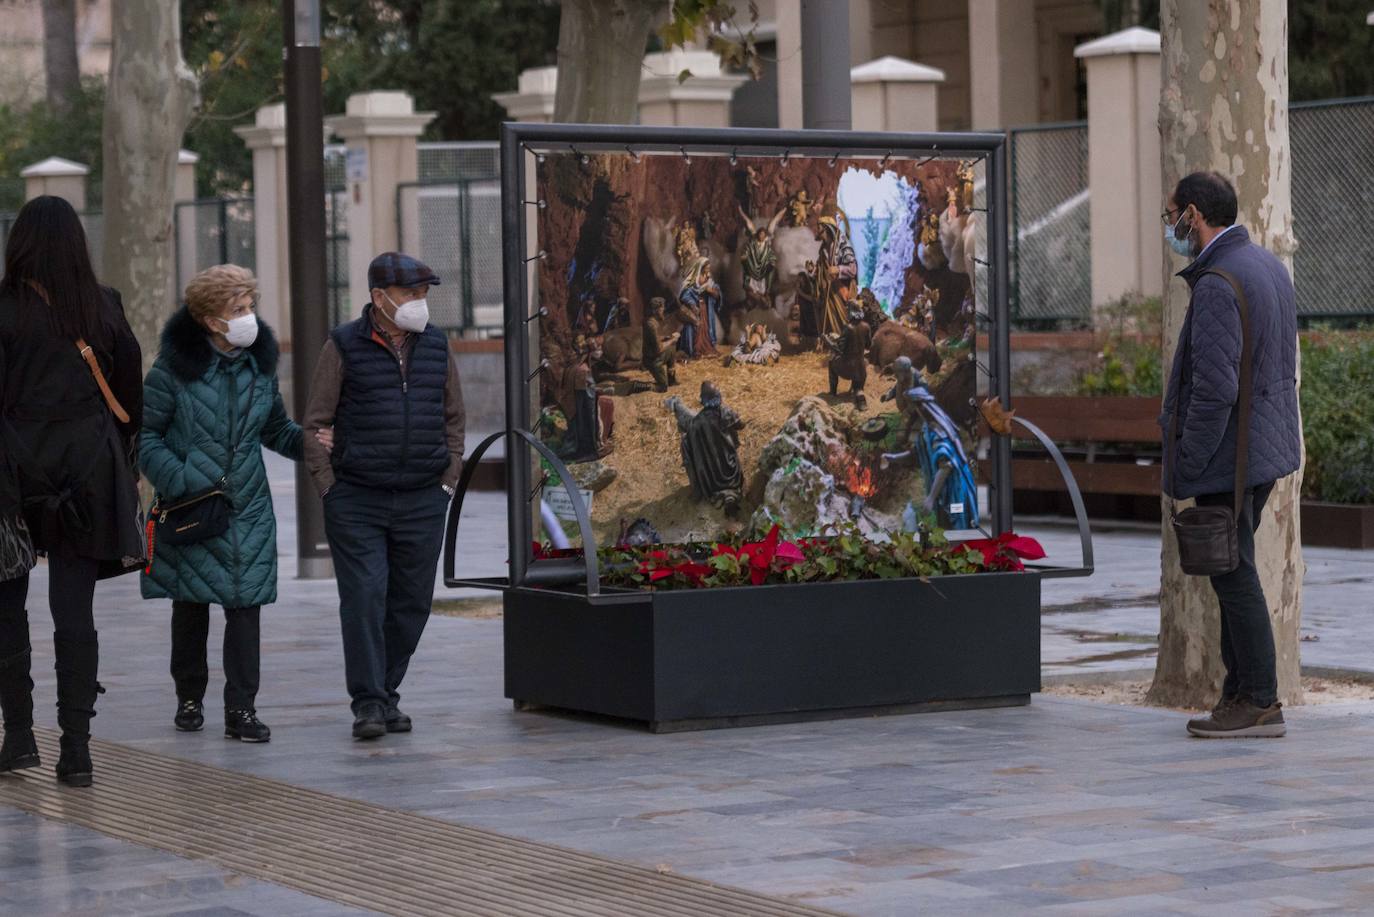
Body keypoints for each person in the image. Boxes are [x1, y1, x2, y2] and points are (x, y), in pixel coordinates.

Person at [0, 195, 143, 787]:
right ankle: (77, 750)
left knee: (7, 610)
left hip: (13, 474)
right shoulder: (103, 306)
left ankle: (20, 738)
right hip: (88, 473)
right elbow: (133, 398)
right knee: (74, 613)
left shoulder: (3, 309)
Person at [1159, 171, 1301, 739]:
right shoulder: (1265, 264)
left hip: (1229, 455)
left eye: (1172, 216)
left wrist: (1189, 459)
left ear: (1193, 214)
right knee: (1230, 566)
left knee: (1233, 572)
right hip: (1260, 450)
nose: (1169, 227)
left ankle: (1261, 700)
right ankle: (1239, 694)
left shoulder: (1219, 281)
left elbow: (1216, 388)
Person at [304, 252, 465, 740]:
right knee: (365, 596)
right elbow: (315, 423)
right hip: (357, 499)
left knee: (411, 602)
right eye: (411, 294)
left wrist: (447, 480)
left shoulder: (436, 346)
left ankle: (386, 692)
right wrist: (329, 487)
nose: (420, 303)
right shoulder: (342, 346)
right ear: (379, 298)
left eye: (424, 294)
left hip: (423, 496)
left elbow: (454, 417)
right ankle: (369, 703)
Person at [139, 265, 304, 743]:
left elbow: (274, 430)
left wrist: (316, 444)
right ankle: (189, 697)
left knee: (245, 603)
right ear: (212, 320)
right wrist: (181, 479)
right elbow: (145, 437)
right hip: (192, 505)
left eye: (250, 306)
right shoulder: (172, 369)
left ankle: (242, 710)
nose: (249, 317)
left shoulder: (259, 366)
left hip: (247, 505)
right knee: (191, 602)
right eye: (238, 309)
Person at [666, 382, 745, 515]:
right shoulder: (725, 413)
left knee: (686, 442)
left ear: (702, 400)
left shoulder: (696, 423)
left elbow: (688, 445)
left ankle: (704, 493)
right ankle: (731, 495)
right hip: (732, 474)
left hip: (711, 482)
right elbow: (741, 425)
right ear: (718, 396)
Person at [827, 306, 872, 410]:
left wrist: (828, 341)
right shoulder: (866, 327)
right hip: (861, 370)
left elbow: (838, 349)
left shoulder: (848, 328)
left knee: (831, 362)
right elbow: (869, 345)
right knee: (859, 388)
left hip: (846, 368)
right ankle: (859, 394)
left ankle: (832, 392)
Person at [641, 297, 680, 393]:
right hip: (653, 360)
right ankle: (641, 386)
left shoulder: (653, 322)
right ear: (655, 311)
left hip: (655, 356)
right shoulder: (651, 325)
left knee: (671, 349)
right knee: (663, 387)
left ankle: (671, 380)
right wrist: (672, 340)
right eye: (662, 308)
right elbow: (658, 349)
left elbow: (654, 340)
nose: (663, 310)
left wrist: (668, 337)